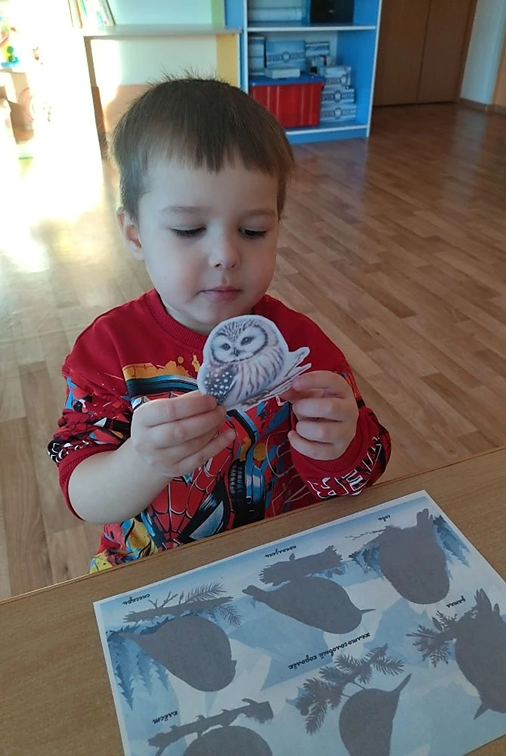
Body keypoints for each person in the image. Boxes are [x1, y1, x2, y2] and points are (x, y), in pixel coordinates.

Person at [48, 77, 391, 572]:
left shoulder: (301, 346)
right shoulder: (107, 351)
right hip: (155, 568)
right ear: (135, 234)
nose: (226, 255)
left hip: (287, 558)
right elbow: (82, 495)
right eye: (188, 229)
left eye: (253, 231)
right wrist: (141, 461)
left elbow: (363, 475)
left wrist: (341, 446)